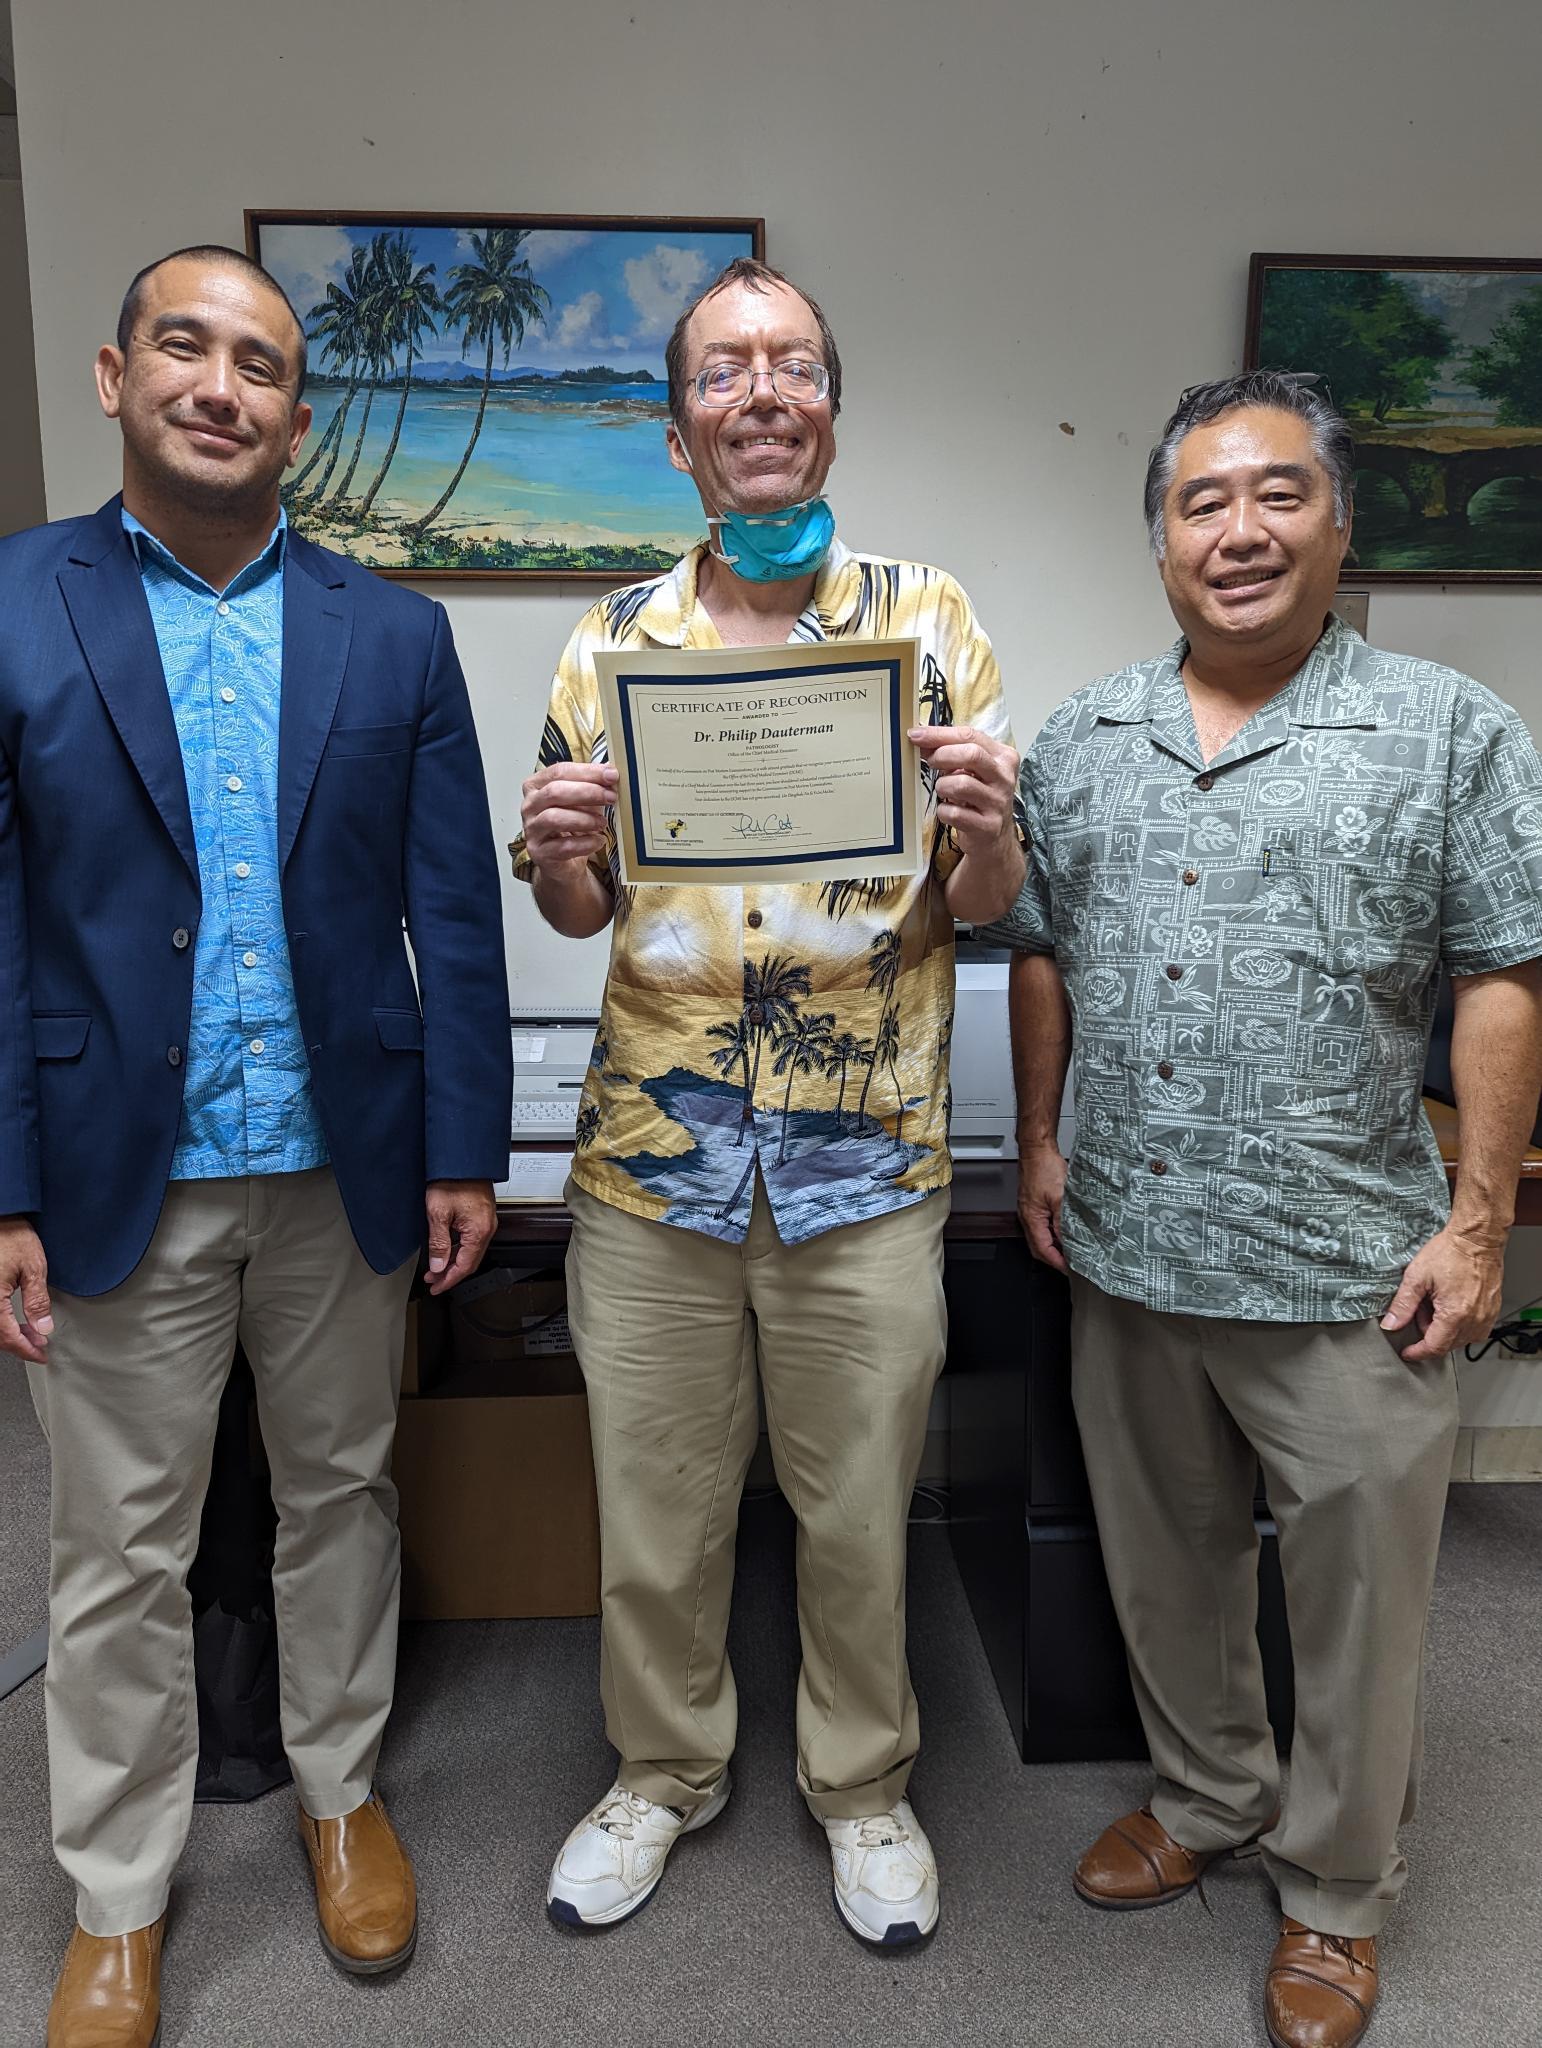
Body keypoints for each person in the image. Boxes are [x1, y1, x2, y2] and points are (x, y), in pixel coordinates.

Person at [984, 369, 1542, 2048]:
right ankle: (1206, 1796)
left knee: (1359, 1617)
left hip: (1351, 1276)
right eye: (1198, 503)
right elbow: (1041, 955)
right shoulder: (1081, 740)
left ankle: (1334, 1892)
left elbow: (1501, 979)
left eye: (1274, 494)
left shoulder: (1445, 729)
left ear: (1337, 521)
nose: (1237, 531)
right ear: (1157, 539)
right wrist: (1035, 1141)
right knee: (1164, 1578)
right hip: (1135, 1259)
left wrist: (1477, 1223)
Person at [0, 245, 512, 2046]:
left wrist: (465, 1145)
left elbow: (453, 912)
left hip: (339, 1159)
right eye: (185, 349)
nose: (224, 387)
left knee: (340, 1500)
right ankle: (119, 1896)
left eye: (264, 367)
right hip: (106, 1162)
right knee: (118, 1548)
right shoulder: (12, 603)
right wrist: (1, 1181)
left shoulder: (396, 630)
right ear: (115, 376)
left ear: (301, 412)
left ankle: (338, 1795)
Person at [512, 257, 1023, 1946]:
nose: (759, 391)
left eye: (790, 363)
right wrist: (562, 863)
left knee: (858, 1512)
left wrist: (993, 827)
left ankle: (862, 1790)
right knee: (654, 1510)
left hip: (861, 1165)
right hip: (653, 1162)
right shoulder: (610, 643)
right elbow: (579, 916)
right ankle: (661, 1772)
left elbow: (994, 900)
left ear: (825, 407)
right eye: (722, 371)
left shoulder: (926, 622)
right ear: (679, 434)